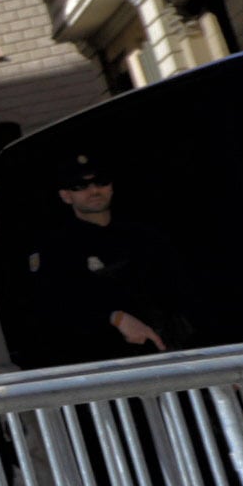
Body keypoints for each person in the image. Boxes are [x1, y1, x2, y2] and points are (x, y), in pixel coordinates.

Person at [10, 155, 177, 369]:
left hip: (164, 351)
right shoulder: (57, 247)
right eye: (81, 186)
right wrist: (114, 318)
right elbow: (54, 306)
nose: (94, 191)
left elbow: (177, 289)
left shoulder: (142, 235)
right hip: (105, 362)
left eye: (101, 183)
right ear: (66, 196)